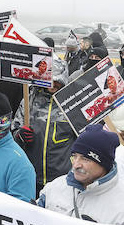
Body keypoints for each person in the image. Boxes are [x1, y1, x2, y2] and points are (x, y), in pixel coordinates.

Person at [39, 123, 124, 225]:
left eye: (85, 159)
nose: (76, 165)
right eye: (74, 156)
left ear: (103, 164)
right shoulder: (54, 187)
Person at [11, 58, 76, 192]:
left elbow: (84, 137)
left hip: (62, 180)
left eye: (57, 81)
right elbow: (14, 129)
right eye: (49, 80)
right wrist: (19, 135)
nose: (53, 84)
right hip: (31, 175)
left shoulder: (72, 103)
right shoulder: (29, 98)